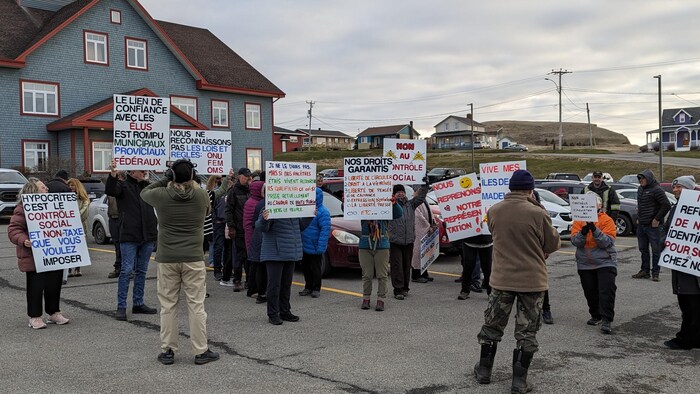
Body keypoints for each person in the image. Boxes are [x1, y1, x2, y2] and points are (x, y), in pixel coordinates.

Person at [473, 170, 560, 393]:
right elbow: (552, 245)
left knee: (492, 324)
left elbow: (497, 235)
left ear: (510, 188)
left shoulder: (494, 211)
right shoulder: (537, 213)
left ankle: (484, 371)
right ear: (530, 190)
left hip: (501, 279)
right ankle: (519, 381)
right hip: (532, 280)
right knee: (527, 331)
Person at [140, 159, 219, 365]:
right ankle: (201, 350)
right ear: (193, 175)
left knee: (168, 306)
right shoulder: (202, 195)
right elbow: (207, 212)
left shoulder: (161, 196)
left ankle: (168, 350)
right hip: (193, 257)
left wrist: (166, 177)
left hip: (167, 258)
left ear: (171, 176)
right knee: (196, 305)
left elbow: (145, 192)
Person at [8, 177, 70, 329]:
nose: (47, 189)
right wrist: (24, 240)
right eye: (43, 187)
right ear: (33, 191)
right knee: (36, 287)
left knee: (54, 284)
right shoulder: (22, 208)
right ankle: (34, 317)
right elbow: (14, 230)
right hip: (34, 255)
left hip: (54, 253)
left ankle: (54, 312)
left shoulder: (54, 206)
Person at [105, 159, 158, 321]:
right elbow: (111, 190)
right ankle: (121, 307)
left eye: (145, 169)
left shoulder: (148, 188)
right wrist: (113, 174)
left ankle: (138, 303)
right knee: (126, 270)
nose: (144, 171)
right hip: (129, 235)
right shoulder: (123, 186)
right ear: (131, 171)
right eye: (141, 169)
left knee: (141, 271)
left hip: (147, 235)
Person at [570, 192, 618, 335]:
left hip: (605, 261)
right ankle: (595, 314)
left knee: (606, 291)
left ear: (599, 206)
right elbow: (575, 242)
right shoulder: (579, 221)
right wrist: (583, 232)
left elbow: (606, 242)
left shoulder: (607, 220)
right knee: (590, 291)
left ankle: (606, 319)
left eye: (594, 203)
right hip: (585, 262)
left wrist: (594, 229)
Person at [661, 176, 700, 350]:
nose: (674, 190)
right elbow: (667, 231)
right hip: (680, 264)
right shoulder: (676, 208)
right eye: (674, 187)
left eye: (678, 187)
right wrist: (665, 242)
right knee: (687, 304)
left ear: (689, 190)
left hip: (692, 268)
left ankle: (684, 340)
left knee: (691, 305)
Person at [258, 209, 303, 325]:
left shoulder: (294, 209)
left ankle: (285, 311)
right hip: (274, 252)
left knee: (286, 284)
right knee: (274, 285)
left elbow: (301, 226)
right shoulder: (269, 207)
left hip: (290, 250)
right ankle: (273, 313)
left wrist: (310, 215)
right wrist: (264, 219)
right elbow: (260, 227)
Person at [359, 200, 403, 311]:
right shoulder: (362, 203)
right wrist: (345, 202)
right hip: (365, 244)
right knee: (367, 274)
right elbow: (349, 209)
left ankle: (381, 299)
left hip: (381, 244)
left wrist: (394, 203)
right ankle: (366, 298)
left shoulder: (384, 205)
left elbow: (398, 213)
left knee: (382, 274)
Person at [388, 181, 428, 300]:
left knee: (406, 266)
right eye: (398, 192)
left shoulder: (411, 204)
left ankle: (405, 287)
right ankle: (398, 289)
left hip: (409, 240)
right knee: (397, 266)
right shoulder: (390, 205)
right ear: (394, 194)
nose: (400, 194)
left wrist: (425, 184)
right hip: (395, 241)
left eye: (402, 192)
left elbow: (421, 197)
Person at [632, 169, 671, 281]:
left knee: (656, 250)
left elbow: (666, 205)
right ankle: (645, 271)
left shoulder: (657, 190)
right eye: (640, 179)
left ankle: (655, 273)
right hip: (642, 225)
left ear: (649, 178)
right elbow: (640, 205)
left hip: (653, 227)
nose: (641, 180)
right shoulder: (640, 189)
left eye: (643, 178)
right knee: (643, 249)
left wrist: (657, 219)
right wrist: (639, 218)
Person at [222, 168, 252, 291]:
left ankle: (249, 281)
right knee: (238, 256)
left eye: (249, 177)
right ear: (240, 176)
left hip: (249, 228)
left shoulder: (251, 190)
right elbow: (228, 210)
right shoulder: (233, 191)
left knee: (248, 257)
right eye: (246, 177)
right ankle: (237, 280)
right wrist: (231, 227)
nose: (248, 179)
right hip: (238, 228)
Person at [299, 187, 331, 298]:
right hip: (304, 244)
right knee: (306, 267)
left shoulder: (323, 212)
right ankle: (308, 287)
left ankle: (316, 288)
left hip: (315, 245)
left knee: (316, 268)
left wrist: (321, 247)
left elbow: (325, 231)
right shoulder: (304, 210)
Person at [243, 179, 266, 298]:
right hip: (254, 236)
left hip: (253, 236)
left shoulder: (254, 201)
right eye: (262, 189)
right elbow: (252, 223)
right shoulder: (255, 203)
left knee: (254, 264)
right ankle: (255, 289)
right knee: (257, 265)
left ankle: (252, 289)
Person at [458, 233, 492, 300]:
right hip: (469, 241)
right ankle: (465, 291)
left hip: (487, 241)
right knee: (468, 268)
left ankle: (491, 292)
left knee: (487, 269)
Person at [67, 178, 90, 278]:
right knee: (68, 247)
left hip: (80, 226)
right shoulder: (65, 198)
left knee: (79, 248)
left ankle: (78, 268)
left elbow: (84, 212)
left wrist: (74, 217)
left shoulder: (83, 199)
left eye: (73, 185)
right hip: (68, 226)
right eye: (69, 185)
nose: (71, 187)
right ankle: (68, 268)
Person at [410, 201, 436, 283]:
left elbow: (430, 213)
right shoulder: (416, 201)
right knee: (417, 253)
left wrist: (433, 223)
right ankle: (416, 275)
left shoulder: (424, 201)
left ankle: (424, 273)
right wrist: (428, 226)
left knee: (425, 252)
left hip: (425, 229)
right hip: (418, 231)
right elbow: (418, 217)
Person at [107, 172, 125, 279]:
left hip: (123, 218)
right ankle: (118, 267)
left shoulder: (124, 189)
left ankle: (129, 268)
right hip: (113, 218)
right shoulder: (111, 190)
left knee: (125, 245)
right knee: (117, 244)